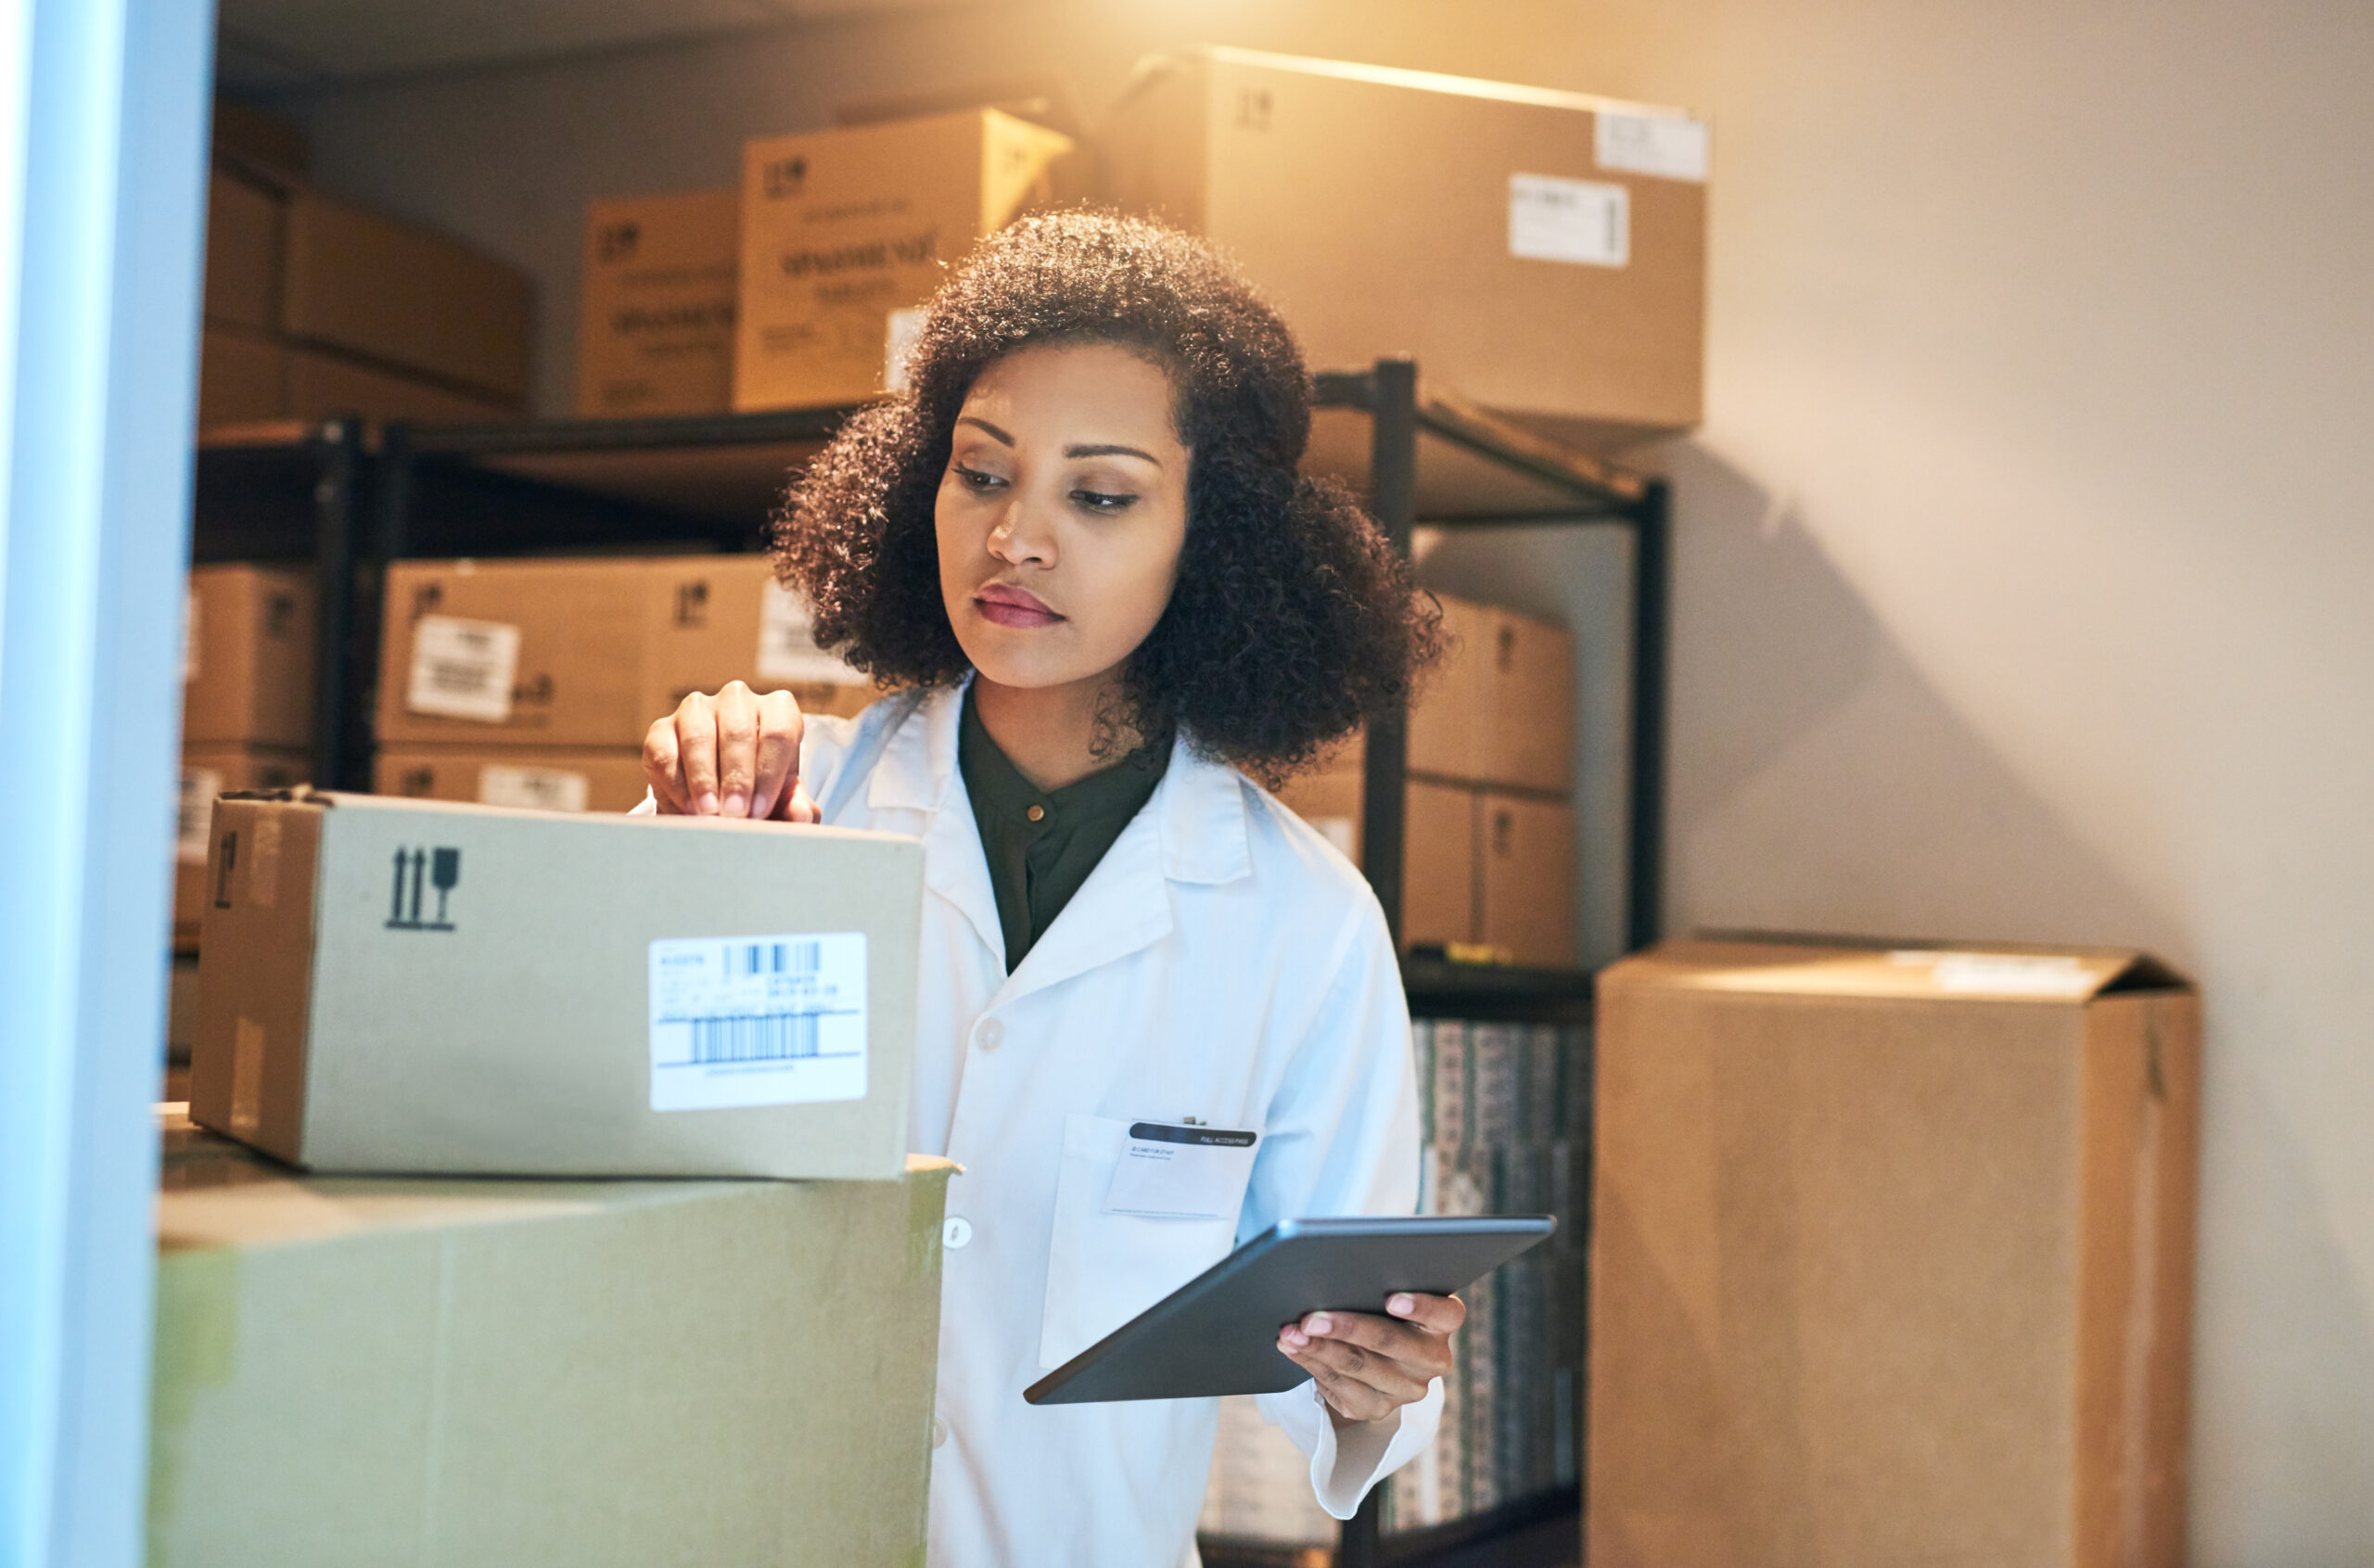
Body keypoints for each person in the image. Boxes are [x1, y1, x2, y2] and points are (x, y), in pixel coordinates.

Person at [639, 210, 1452, 1565]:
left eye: (1102, 495)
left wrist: (1374, 1382)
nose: (1015, 538)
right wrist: (674, 859)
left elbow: (1358, 1391)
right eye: (980, 474)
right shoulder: (776, 801)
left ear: (1221, 538)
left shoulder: (1302, 926)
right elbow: (553, 1161)